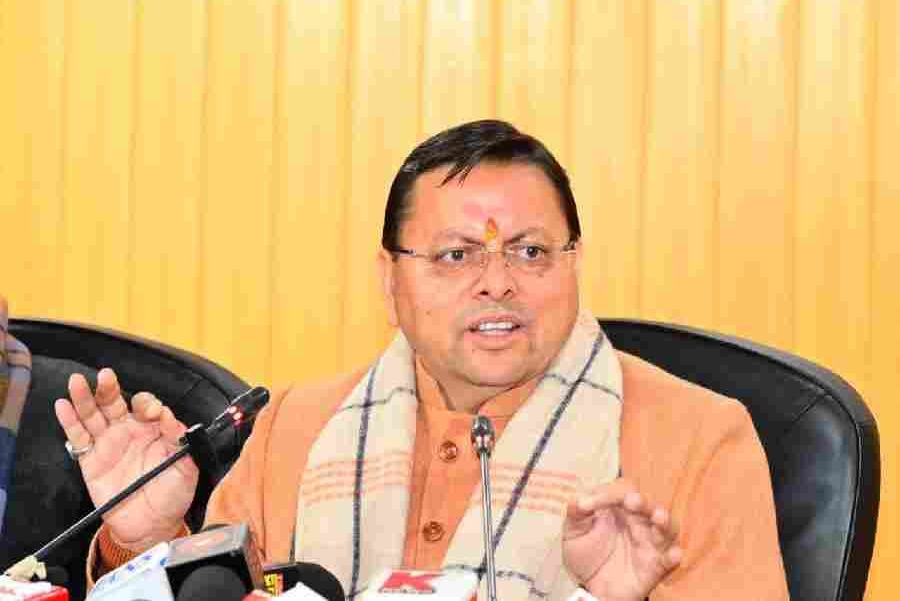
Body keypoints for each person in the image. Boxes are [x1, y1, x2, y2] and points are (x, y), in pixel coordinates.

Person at [55, 120, 789, 600]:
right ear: (389, 279)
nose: (497, 282)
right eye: (455, 256)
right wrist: (147, 540)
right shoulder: (293, 430)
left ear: (574, 262)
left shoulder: (697, 440)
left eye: (531, 252)